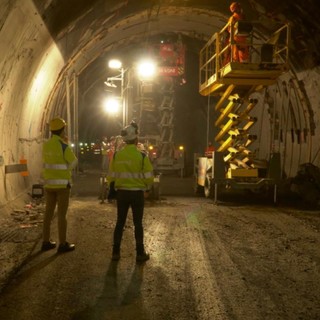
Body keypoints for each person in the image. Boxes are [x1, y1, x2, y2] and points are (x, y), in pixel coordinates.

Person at [108, 121, 154, 262]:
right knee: (138, 223)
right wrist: (147, 188)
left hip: (122, 193)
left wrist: (112, 190)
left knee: (120, 222)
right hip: (137, 194)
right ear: (136, 139)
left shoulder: (117, 156)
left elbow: (111, 176)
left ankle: (115, 252)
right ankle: (140, 254)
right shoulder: (142, 156)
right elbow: (149, 177)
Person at [41, 117, 78, 253]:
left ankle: (45, 242)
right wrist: (66, 170)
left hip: (49, 185)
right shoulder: (64, 145)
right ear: (62, 130)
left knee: (48, 214)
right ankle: (62, 244)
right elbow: (74, 161)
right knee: (62, 215)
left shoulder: (46, 145)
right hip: (62, 185)